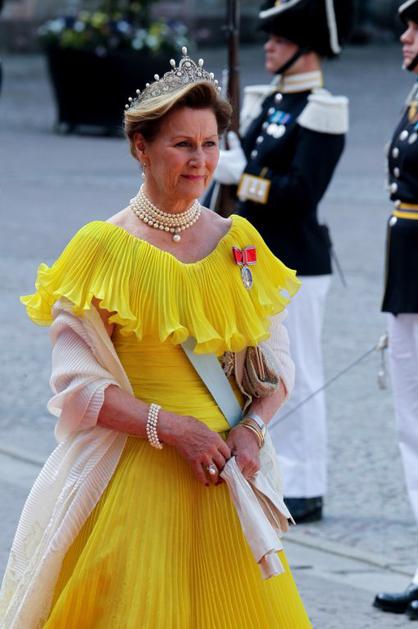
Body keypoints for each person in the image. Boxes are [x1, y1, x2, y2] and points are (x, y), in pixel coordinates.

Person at [0, 49, 312, 628]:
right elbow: (78, 386)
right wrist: (172, 428)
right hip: (135, 472)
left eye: (210, 144)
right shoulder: (100, 248)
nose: (200, 160)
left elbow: (276, 366)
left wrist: (251, 430)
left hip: (224, 478)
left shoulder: (238, 242)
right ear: (141, 148)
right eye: (182, 144)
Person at [213, 0, 352, 523]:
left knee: (299, 372)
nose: (269, 47)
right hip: (255, 258)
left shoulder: (320, 110)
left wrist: (244, 175)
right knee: (259, 370)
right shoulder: (267, 102)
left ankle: (307, 482)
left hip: (296, 261)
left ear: (305, 48)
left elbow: (301, 191)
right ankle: (274, 470)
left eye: (280, 39)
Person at [374, 0, 418, 621]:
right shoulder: (414, 99)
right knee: (412, 429)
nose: (405, 37)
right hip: (407, 280)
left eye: (415, 28)